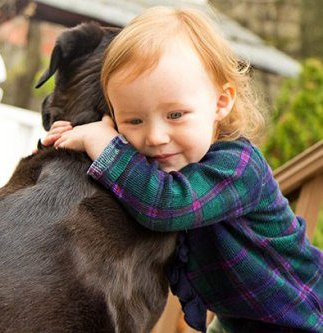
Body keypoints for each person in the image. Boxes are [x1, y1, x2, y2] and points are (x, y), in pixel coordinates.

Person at [41, 6, 323, 333]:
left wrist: (104, 145)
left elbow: (165, 204)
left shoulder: (239, 168)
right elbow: (131, 183)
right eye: (134, 120)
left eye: (175, 115)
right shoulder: (168, 161)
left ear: (221, 102)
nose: (156, 137)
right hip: (242, 320)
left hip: (303, 318)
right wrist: (74, 144)